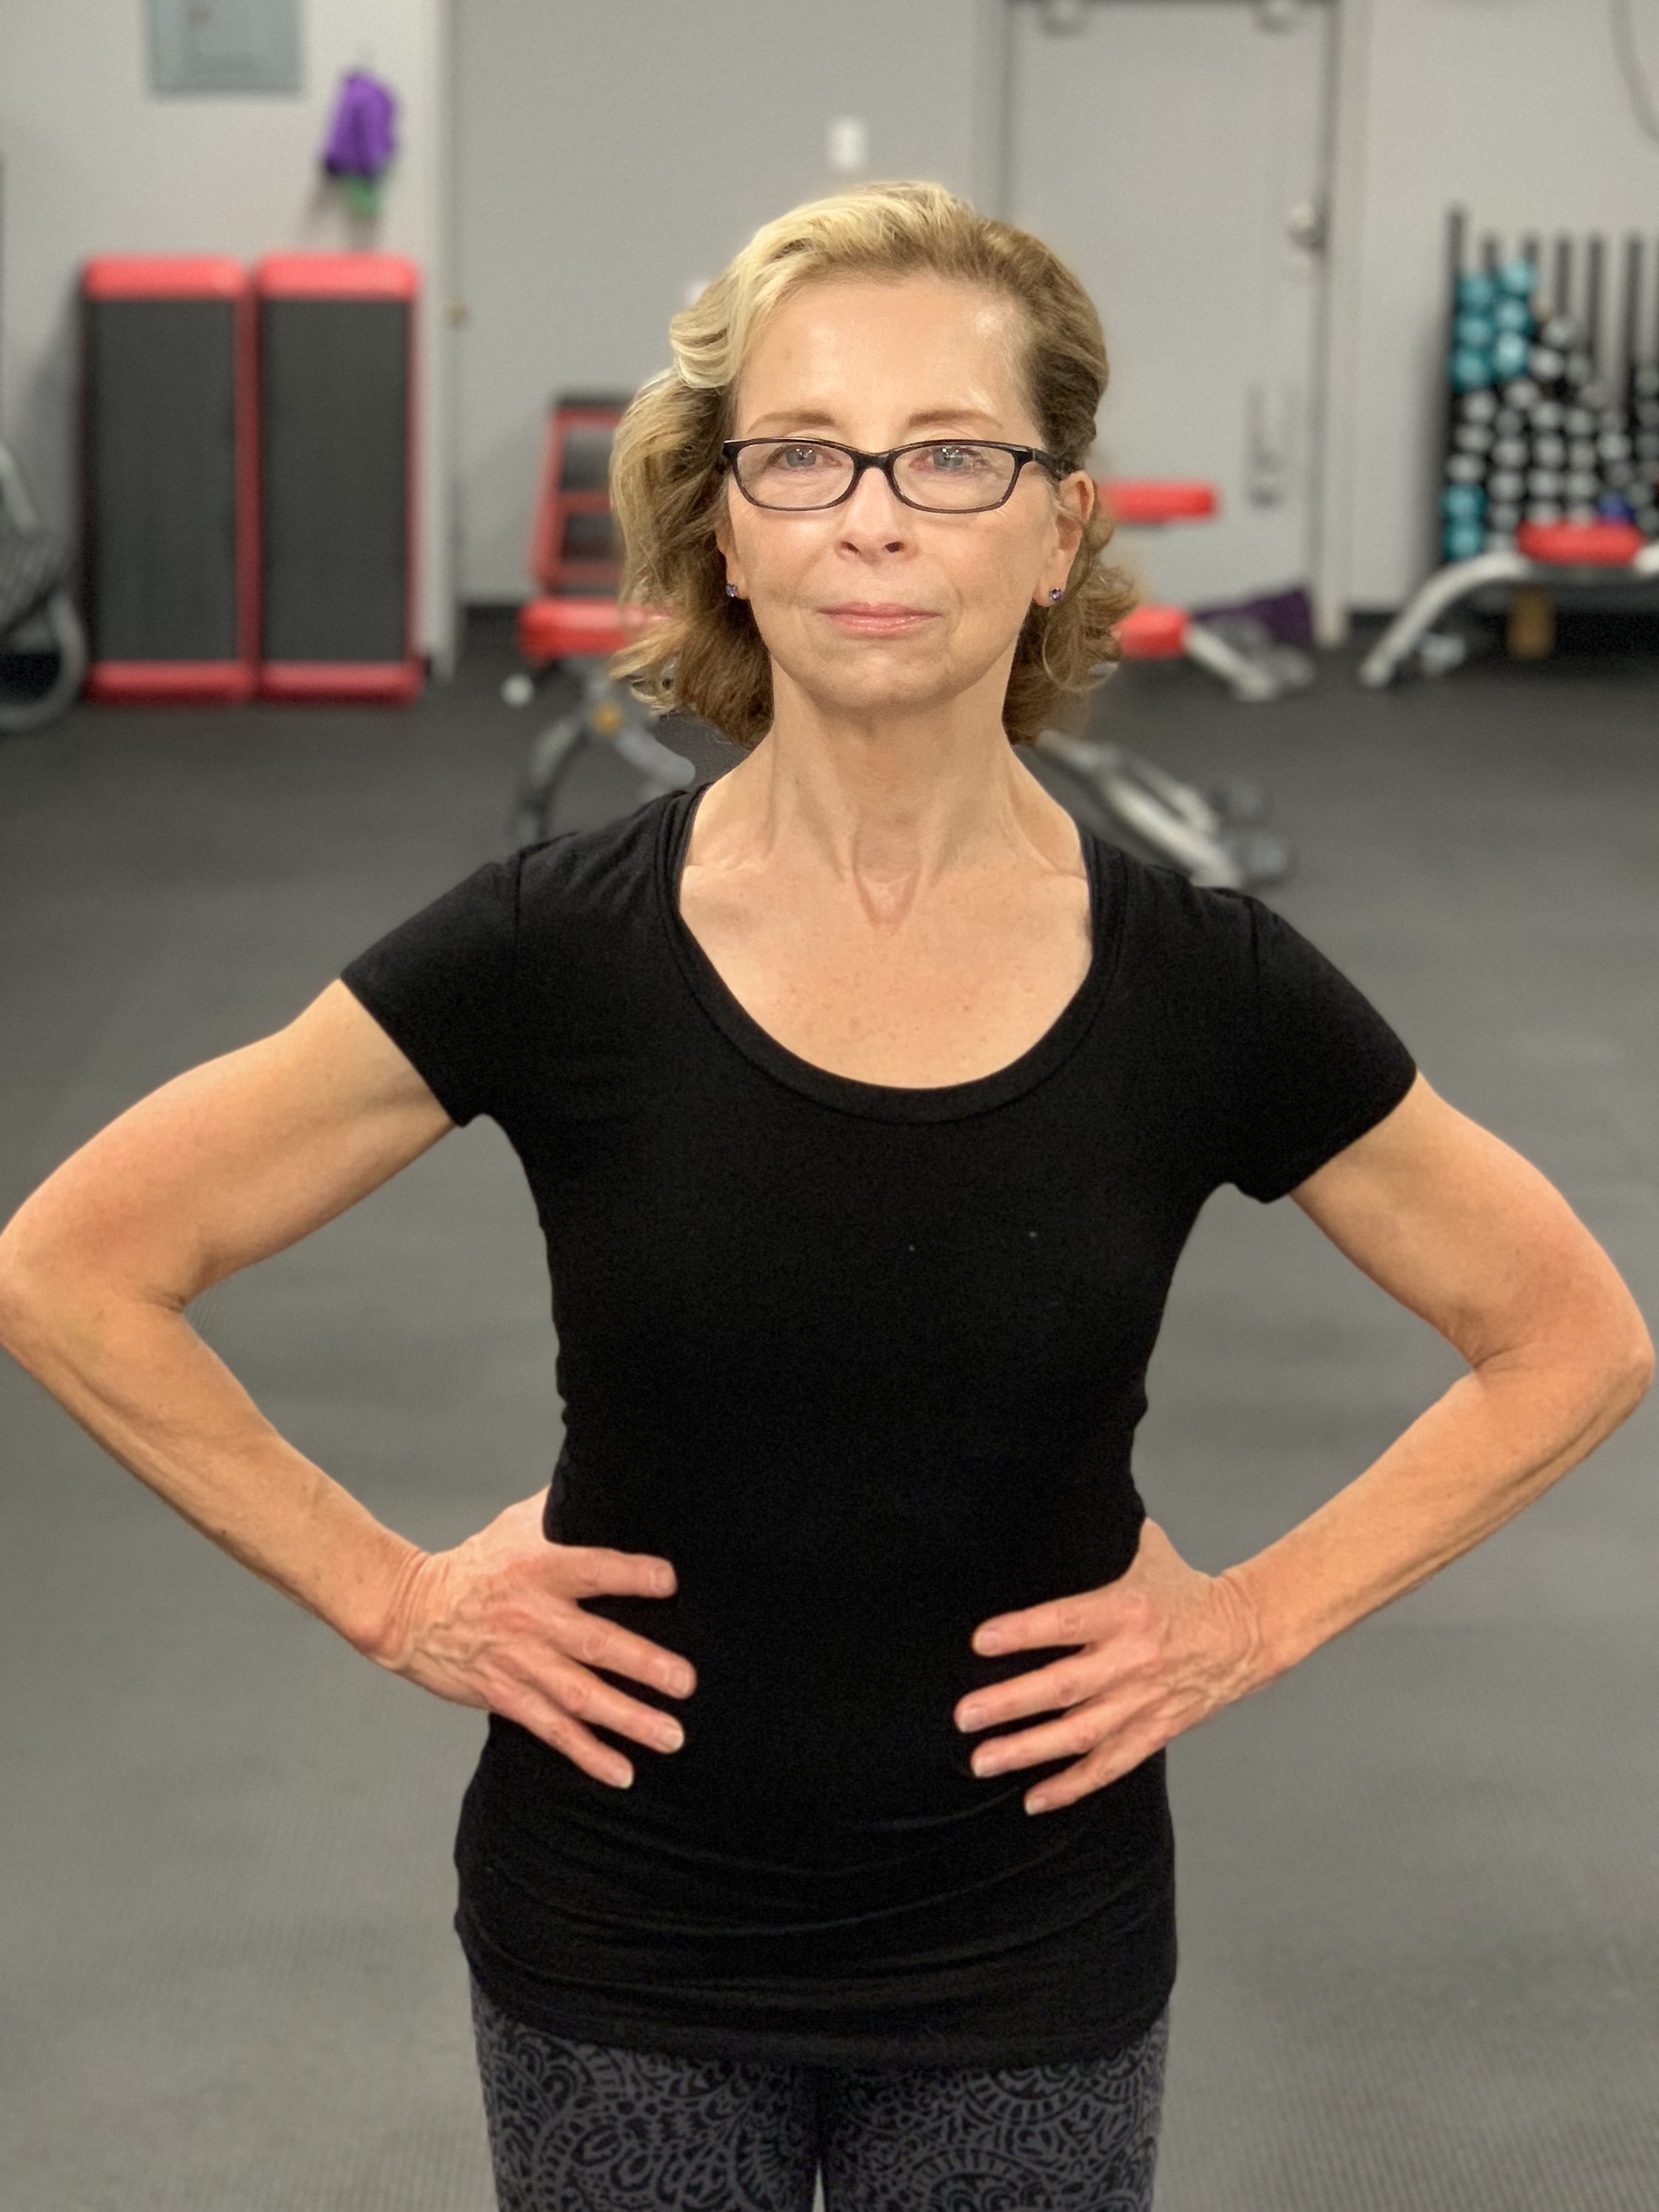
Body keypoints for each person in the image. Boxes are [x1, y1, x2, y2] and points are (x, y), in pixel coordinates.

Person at [0, 181, 1649, 2212]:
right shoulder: (555, 953)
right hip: (619, 1937)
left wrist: (1244, 1624)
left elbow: (1569, 1331)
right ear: (725, 520)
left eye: (953, 456)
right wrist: (395, 1590)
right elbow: (75, 1263)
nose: (873, 515)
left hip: (1027, 1955)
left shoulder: (1202, 987)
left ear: (1058, 527)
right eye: (804, 452)